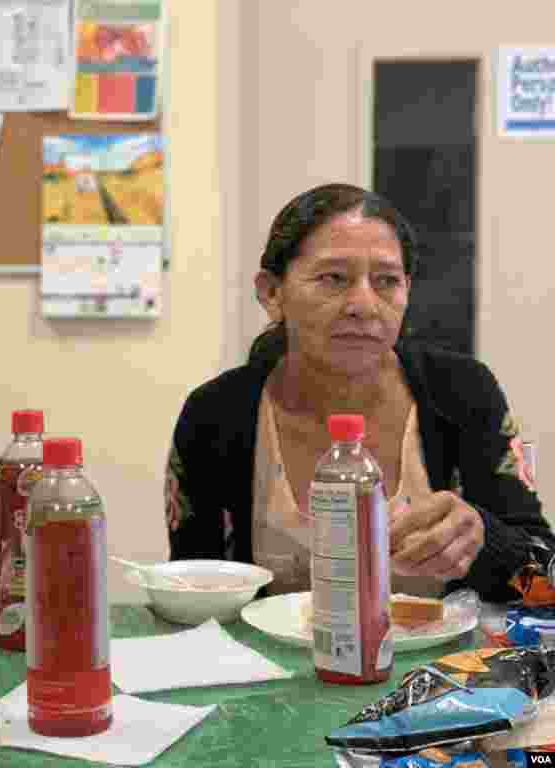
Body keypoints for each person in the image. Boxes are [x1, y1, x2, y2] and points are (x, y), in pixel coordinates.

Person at [163, 182, 554, 603]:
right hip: (269, 668)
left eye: (386, 281)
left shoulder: (464, 394)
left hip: (439, 667)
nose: (364, 305)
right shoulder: (216, 416)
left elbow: (544, 587)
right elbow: (193, 591)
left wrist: (486, 544)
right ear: (272, 293)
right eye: (333, 279)